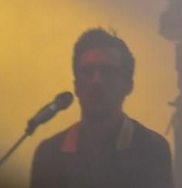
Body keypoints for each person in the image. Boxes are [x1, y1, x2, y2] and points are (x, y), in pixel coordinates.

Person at [31, 29, 173, 188]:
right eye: (87, 72)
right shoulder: (49, 154)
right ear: (76, 86)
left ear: (128, 85)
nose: (96, 81)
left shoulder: (151, 150)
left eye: (107, 72)